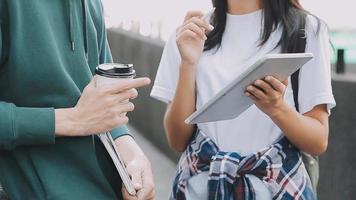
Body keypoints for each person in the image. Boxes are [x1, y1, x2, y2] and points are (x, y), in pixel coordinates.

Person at [151, 0, 336, 199]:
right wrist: (188, 63)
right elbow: (177, 140)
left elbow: (318, 141)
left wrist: (277, 108)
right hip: (198, 191)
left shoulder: (306, 29)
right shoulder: (191, 32)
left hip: (278, 191)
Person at [0, 0, 155, 199]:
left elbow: (104, 105)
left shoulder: (93, 3)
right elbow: (86, 116)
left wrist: (132, 152)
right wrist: (71, 120)